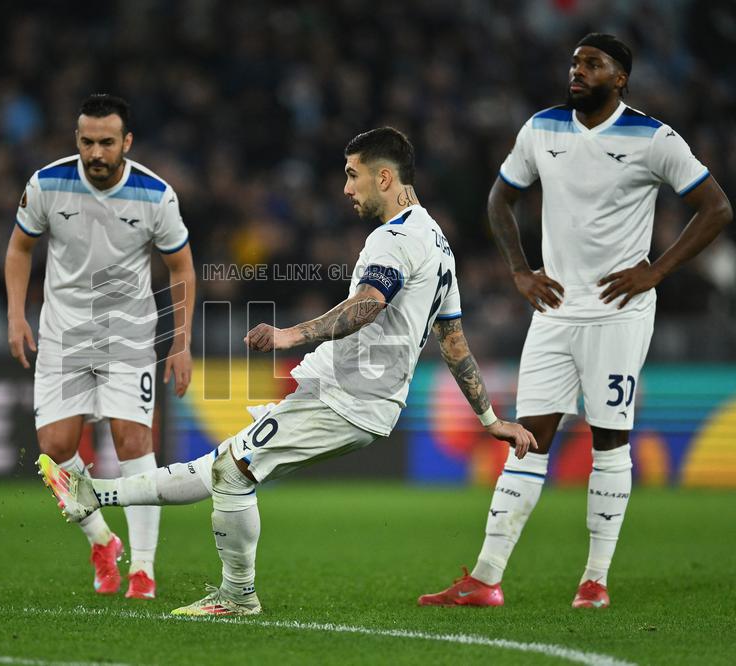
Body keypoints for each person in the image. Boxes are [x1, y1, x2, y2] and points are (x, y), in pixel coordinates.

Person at [37, 127, 537, 615]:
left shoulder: (395, 240)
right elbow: (453, 341)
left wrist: (287, 336)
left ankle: (236, 596)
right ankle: (92, 494)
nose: (346, 188)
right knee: (221, 465)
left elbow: (367, 305)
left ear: (384, 178)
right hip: (344, 393)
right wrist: (490, 417)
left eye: (352, 175)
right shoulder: (437, 242)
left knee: (232, 474)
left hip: (350, 399)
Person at [419, 34, 732, 609]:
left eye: (593, 64)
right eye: (575, 63)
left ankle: (595, 580)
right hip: (555, 313)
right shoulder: (542, 129)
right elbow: (500, 198)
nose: (578, 71)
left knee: (610, 443)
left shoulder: (654, 138)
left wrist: (657, 270)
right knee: (527, 441)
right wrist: (519, 271)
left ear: (621, 78)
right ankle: (485, 579)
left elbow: (717, 208)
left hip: (618, 314)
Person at [6, 94, 196, 600]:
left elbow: (182, 267)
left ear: (126, 143)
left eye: (107, 142)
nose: (96, 152)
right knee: (54, 449)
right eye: (87, 141)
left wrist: (181, 343)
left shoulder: (155, 195)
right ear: (77, 140)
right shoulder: (46, 184)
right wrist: (14, 315)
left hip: (128, 336)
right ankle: (102, 540)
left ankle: (145, 570)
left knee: (133, 444)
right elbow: (20, 248)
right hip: (62, 335)